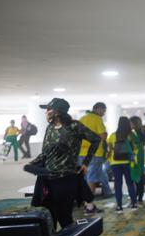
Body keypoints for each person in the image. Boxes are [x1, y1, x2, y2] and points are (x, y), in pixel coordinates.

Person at [26, 98, 101, 229]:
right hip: (47, 179)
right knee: (49, 218)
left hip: (66, 179)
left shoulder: (74, 126)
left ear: (57, 112)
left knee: (64, 217)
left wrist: (85, 163)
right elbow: (45, 153)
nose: (46, 112)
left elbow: (96, 139)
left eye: (48, 109)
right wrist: (32, 164)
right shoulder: (50, 128)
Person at [79, 102, 112, 202]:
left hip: (82, 153)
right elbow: (103, 135)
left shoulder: (82, 118)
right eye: (103, 111)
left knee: (87, 177)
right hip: (95, 153)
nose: (103, 113)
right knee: (92, 178)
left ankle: (106, 192)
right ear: (98, 109)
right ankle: (89, 205)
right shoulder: (97, 119)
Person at [106, 117, 139, 213]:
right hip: (127, 162)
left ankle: (119, 207)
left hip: (115, 163)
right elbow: (136, 149)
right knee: (130, 183)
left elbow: (108, 149)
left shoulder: (112, 136)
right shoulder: (131, 136)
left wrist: (109, 160)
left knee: (117, 185)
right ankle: (134, 204)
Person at [130, 116, 145, 206]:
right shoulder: (142, 130)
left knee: (135, 177)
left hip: (136, 156)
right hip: (140, 156)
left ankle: (137, 197)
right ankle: (139, 198)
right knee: (139, 176)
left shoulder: (133, 132)